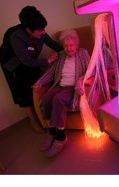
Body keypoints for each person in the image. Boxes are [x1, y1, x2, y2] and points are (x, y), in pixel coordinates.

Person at [0, 6, 63, 133]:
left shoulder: (39, 31)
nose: (43, 32)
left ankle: (42, 115)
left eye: (44, 29)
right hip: (14, 65)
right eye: (40, 31)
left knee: (38, 83)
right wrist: (47, 61)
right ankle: (33, 119)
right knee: (24, 93)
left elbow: (52, 43)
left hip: (30, 61)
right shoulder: (16, 37)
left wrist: (67, 51)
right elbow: (26, 61)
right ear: (28, 30)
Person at [33, 29, 90, 157]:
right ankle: (52, 131)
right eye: (65, 46)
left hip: (72, 87)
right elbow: (52, 72)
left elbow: (90, 70)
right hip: (60, 84)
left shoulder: (83, 53)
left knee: (58, 99)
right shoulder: (61, 55)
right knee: (47, 97)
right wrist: (40, 82)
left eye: (71, 45)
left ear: (76, 44)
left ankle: (61, 137)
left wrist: (80, 81)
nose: (68, 49)